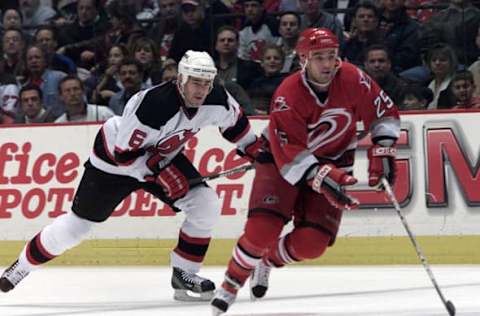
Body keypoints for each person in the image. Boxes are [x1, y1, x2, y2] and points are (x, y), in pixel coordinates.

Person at [0, 50, 262, 302]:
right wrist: (160, 174)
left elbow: (237, 126)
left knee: (205, 204)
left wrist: (257, 151)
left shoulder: (216, 97)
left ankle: (185, 275)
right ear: (180, 79)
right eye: (195, 82)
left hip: (161, 156)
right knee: (76, 228)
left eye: (206, 83)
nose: (201, 90)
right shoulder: (153, 105)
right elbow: (125, 156)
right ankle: (21, 266)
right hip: (112, 163)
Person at [210, 28, 400, 315]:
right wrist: (324, 177)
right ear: (302, 59)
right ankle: (231, 282)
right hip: (281, 160)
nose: (327, 64)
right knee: (262, 230)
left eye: (332, 56)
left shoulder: (353, 78)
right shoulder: (287, 94)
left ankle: (267, 261)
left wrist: (384, 148)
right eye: (319, 57)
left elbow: (382, 113)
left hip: (334, 159)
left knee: (312, 244)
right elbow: (293, 155)